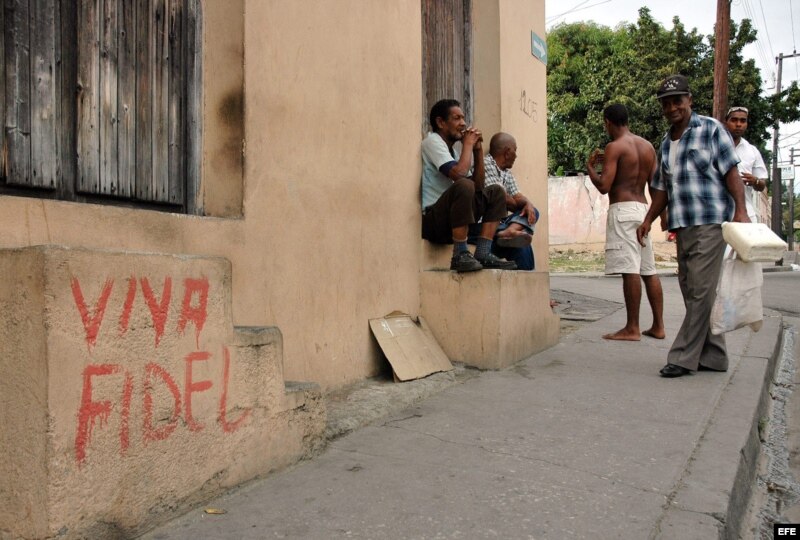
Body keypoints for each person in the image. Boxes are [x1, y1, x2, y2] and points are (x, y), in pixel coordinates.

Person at [636, 75, 750, 378]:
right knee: (692, 290)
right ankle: (714, 355)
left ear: (689, 101)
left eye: (678, 101)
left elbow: (732, 172)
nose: (672, 107)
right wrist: (648, 219)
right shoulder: (665, 142)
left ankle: (683, 356)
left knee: (700, 289)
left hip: (711, 222)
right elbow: (661, 188)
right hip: (683, 225)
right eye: (666, 103)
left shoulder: (712, 130)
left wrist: (741, 210)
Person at [586, 104, 665, 341]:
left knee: (630, 269)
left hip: (622, 210)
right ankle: (658, 326)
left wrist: (591, 168)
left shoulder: (615, 146)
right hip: (643, 210)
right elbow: (656, 186)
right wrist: (653, 217)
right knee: (648, 270)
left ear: (608, 122)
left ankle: (632, 328)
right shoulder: (647, 146)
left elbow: (604, 186)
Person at [421, 99, 516, 271]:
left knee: (496, 192)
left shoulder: (455, 153)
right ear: (441, 122)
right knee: (464, 184)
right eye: (456, 118)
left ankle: (483, 253)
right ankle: (460, 254)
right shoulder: (432, 142)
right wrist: (468, 144)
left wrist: (478, 150)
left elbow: (478, 187)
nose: (463, 123)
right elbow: (459, 175)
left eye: (463, 118)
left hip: (452, 220)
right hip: (434, 221)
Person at [474, 132, 538, 270]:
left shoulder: (506, 173)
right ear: (508, 152)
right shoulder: (486, 165)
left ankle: (509, 231)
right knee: (521, 244)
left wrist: (527, 204)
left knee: (532, 212)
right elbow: (502, 198)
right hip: (483, 225)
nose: (516, 155)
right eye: (515, 151)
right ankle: (508, 232)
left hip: (500, 225)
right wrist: (518, 204)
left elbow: (518, 197)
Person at [725, 106, 768, 223]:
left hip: (745, 213)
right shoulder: (714, 146)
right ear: (726, 122)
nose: (738, 124)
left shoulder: (752, 151)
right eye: (734, 120)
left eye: (743, 121)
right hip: (717, 214)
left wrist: (755, 181)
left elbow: (762, 185)